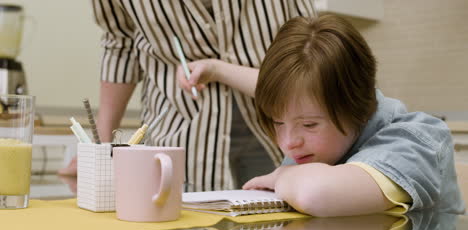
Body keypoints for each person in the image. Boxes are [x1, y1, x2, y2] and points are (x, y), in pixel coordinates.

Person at [58, 1, 317, 191]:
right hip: (179, 137)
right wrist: (100, 146)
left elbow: (311, 50)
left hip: (277, 135)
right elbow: (120, 44)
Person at [239, 14, 465, 216]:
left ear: (358, 107)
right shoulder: (313, 140)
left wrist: (281, 176)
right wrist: (215, 69)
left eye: (309, 124)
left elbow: (315, 195)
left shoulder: (413, 141)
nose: (288, 143)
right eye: (277, 122)